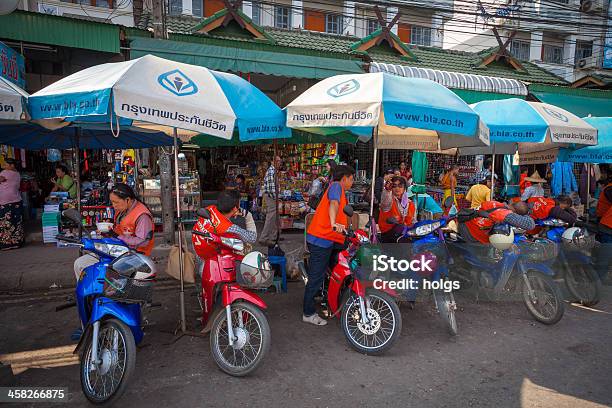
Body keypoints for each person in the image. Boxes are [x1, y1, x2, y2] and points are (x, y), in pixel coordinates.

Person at [304, 165, 355, 326]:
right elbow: (333, 204)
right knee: (316, 278)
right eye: (352, 178)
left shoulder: (338, 189)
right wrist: (333, 222)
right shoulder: (336, 186)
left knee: (337, 267)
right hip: (321, 239)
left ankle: (331, 298)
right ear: (345, 177)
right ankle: (308, 312)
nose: (352, 182)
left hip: (331, 239)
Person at [73, 183, 155, 280]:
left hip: (134, 255)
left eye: (116, 202)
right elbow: (121, 226)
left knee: (84, 264)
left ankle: (100, 291)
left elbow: (143, 242)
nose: (113, 205)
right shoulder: (123, 209)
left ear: (128, 200)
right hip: (118, 249)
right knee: (81, 263)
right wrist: (110, 227)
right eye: (112, 202)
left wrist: (116, 235)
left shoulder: (142, 216)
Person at [458, 200, 536, 244]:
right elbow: (530, 225)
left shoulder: (496, 203)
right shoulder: (505, 214)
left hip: (466, 223)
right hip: (471, 234)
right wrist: (525, 215)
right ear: (515, 213)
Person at [378, 175, 416, 243]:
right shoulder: (389, 200)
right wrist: (387, 190)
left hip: (406, 233)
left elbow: (414, 221)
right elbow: (385, 203)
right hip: (389, 233)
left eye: (400, 186)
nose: (397, 188)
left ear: (404, 188)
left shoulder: (410, 203)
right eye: (394, 186)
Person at [0, 158, 24, 250]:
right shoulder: (18, 174)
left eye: (6, 164)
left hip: (5, 201)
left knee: (6, 223)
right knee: (16, 222)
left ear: (12, 165)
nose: (4, 166)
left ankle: (7, 244)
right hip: (16, 200)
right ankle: (17, 243)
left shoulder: (4, 173)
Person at [259, 156, 281, 247]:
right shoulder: (272, 171)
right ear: (274, 162)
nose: (280, 163)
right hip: (271, 197)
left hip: (271, 196)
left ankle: (273, 237)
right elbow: (272, 188)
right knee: (271, 217)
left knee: (274, 217)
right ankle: (264, 238)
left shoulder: (272, 171)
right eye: (278, 161)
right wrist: (276, 198)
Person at [595, 174, 612, 281]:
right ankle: (597, 279)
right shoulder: (610, 189)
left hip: (606, 222)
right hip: (607, 227)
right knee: (606, 255)